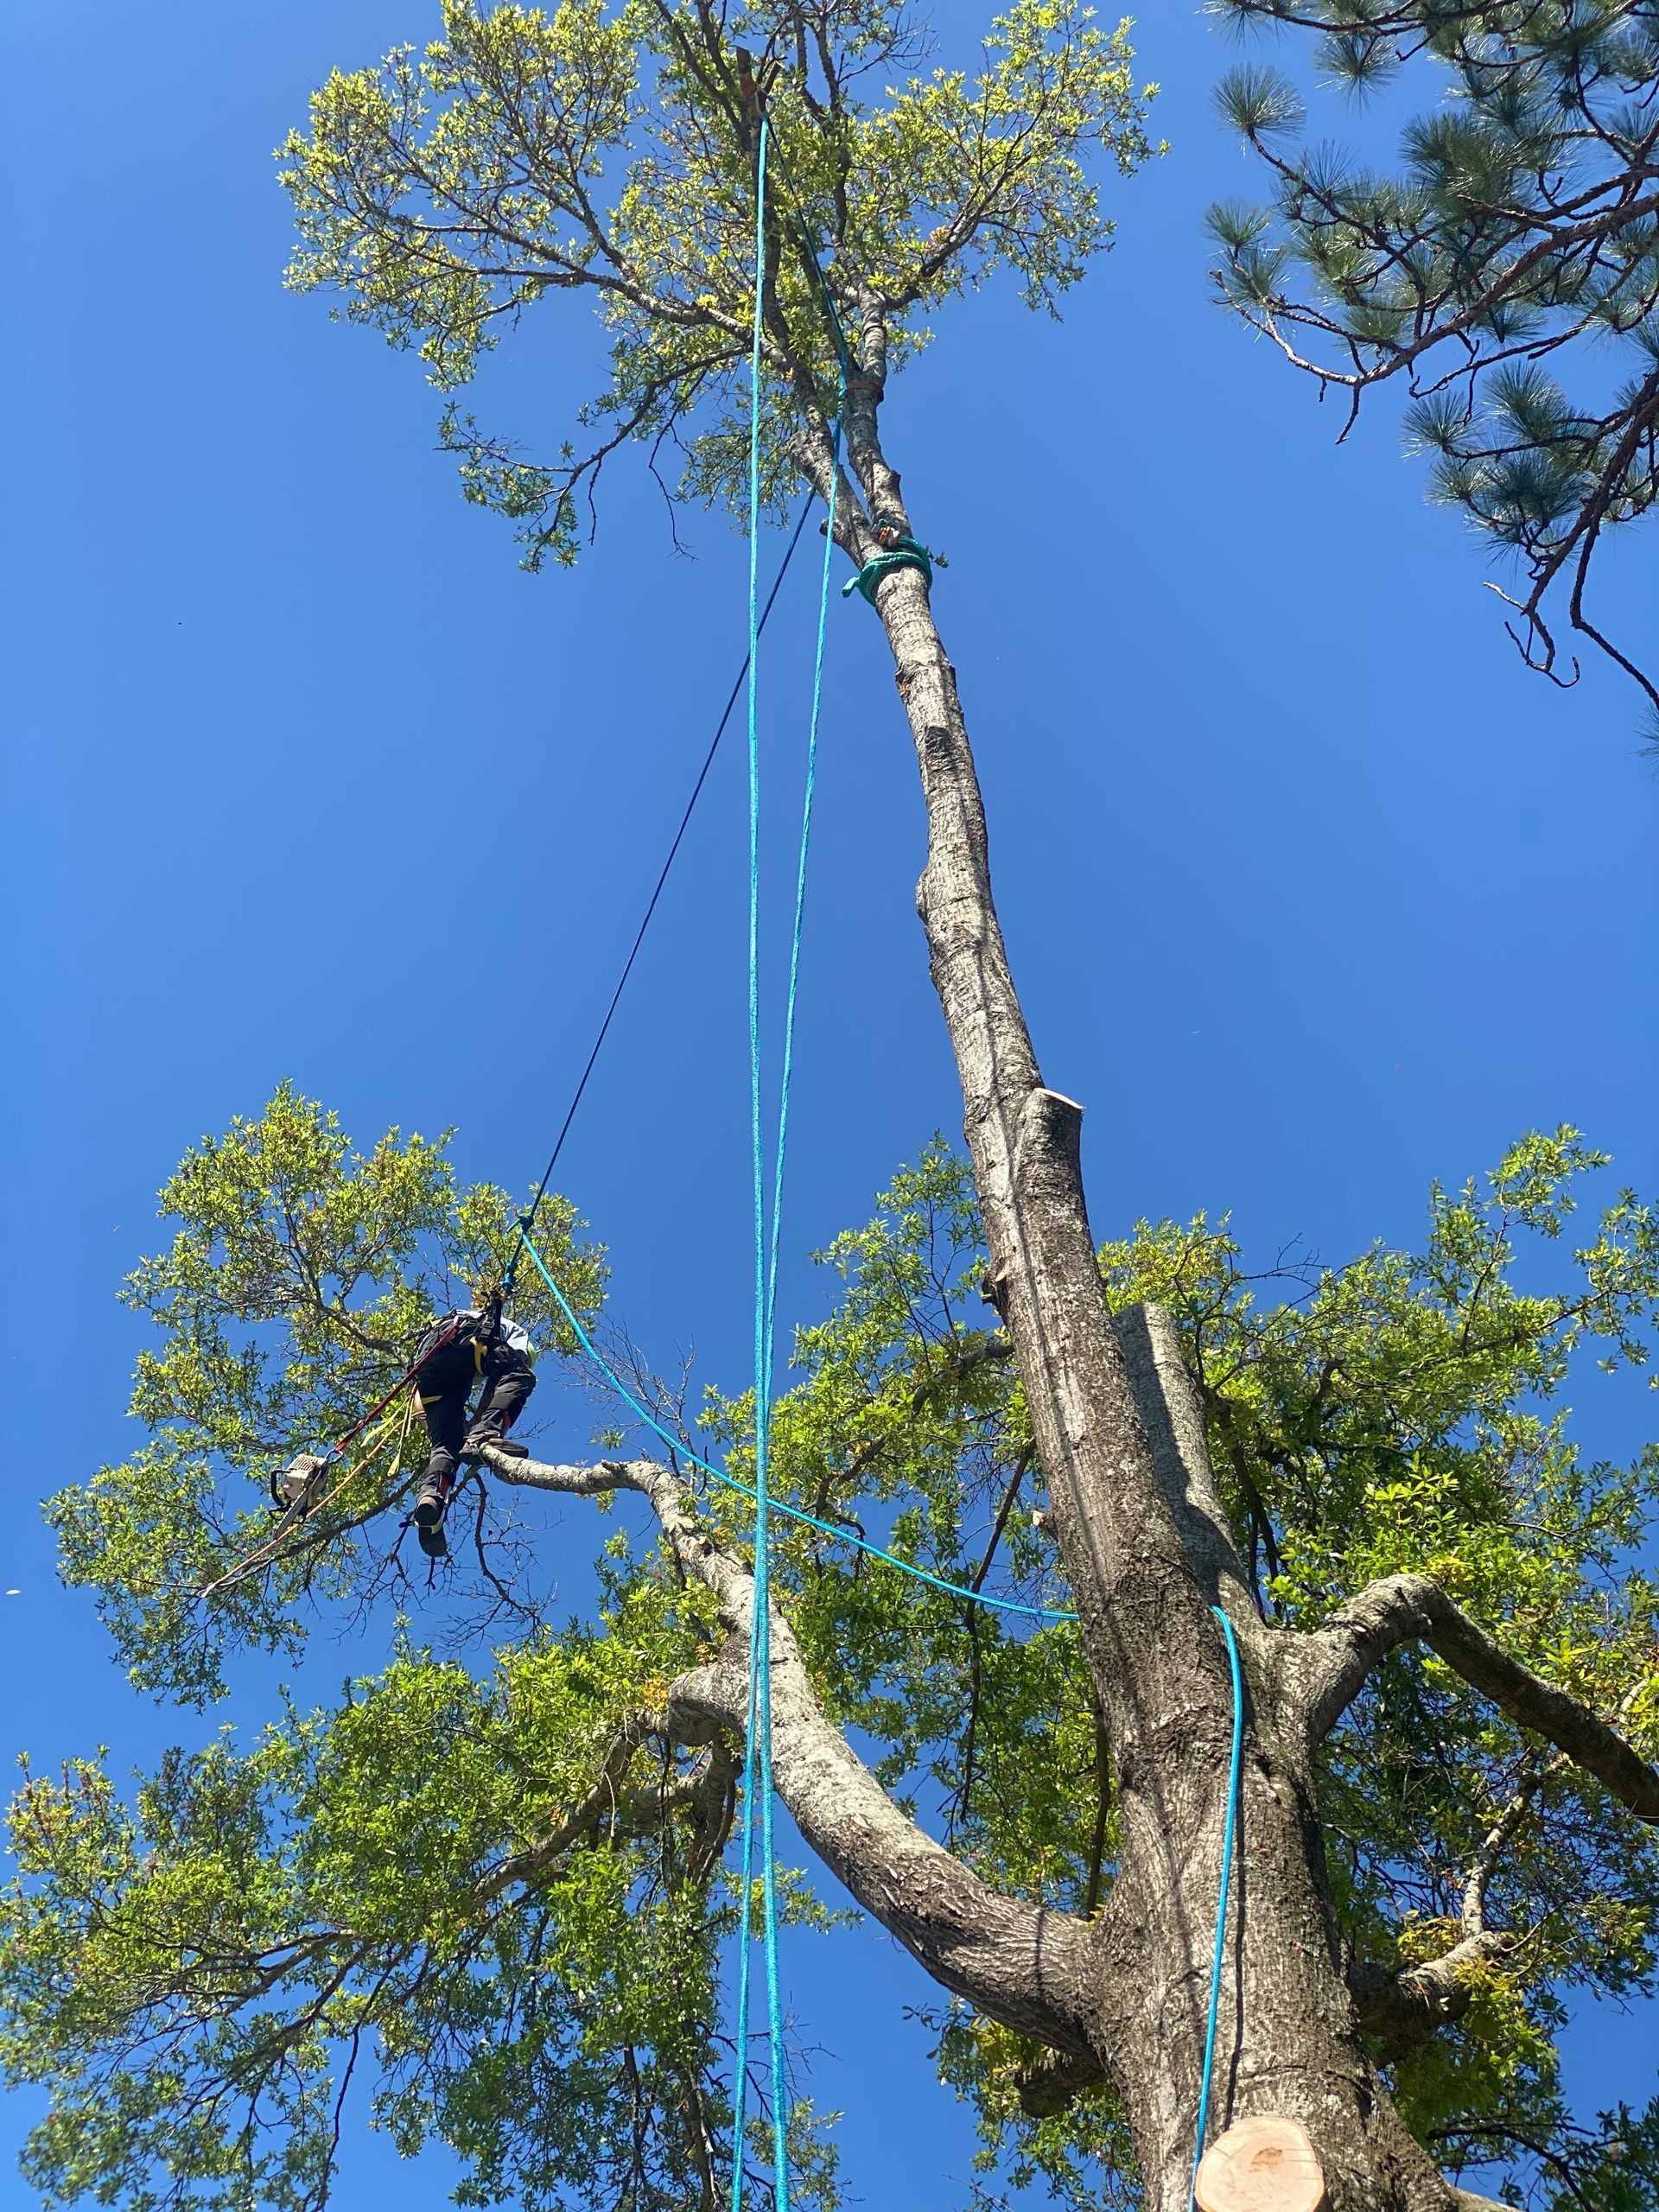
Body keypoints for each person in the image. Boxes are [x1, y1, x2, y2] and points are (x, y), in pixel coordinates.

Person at [409, 1282, 537, 1558]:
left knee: (446, 1445)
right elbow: (499, 1385)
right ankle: (484, 1436)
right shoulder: (516, 1340)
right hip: (462, 1340)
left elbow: (420, 1402)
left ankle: (431, 1500)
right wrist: (482, 1433)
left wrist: (458, 1434)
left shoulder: (473, 1324)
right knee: (519, 1377)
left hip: (428, 1362)